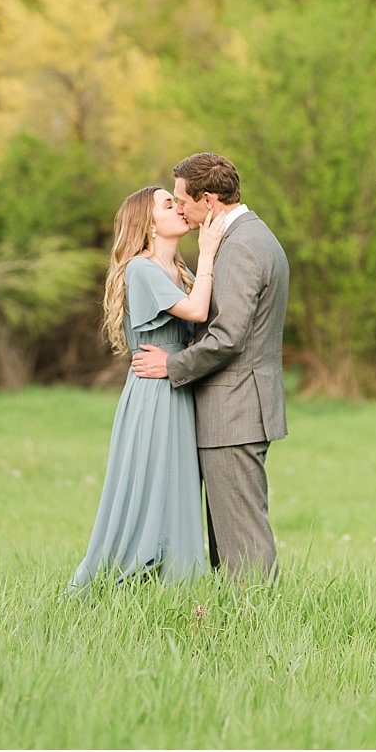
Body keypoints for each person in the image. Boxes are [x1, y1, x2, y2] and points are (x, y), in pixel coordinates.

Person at [130, 152, 290, 580]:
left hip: (234, 409)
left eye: (183, 200)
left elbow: (229, 336)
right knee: (229, 534)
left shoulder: (241, 248)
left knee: (241, 536)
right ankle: (234, 623)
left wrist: (173, 365)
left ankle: (254, 622)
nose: (180, 209)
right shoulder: (248, 237)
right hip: (238, 406)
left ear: (209, 199)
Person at [70, 186, 226, 589]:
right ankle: (122, 573)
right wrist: (209, 252)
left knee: (178, 484)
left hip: (177, 385)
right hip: (153, 393)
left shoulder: (182, 271)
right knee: (149, 482)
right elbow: (196, 311)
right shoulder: (142, 269)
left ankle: (177, 580)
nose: (178, 208)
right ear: (148, 223)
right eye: (167, 203)